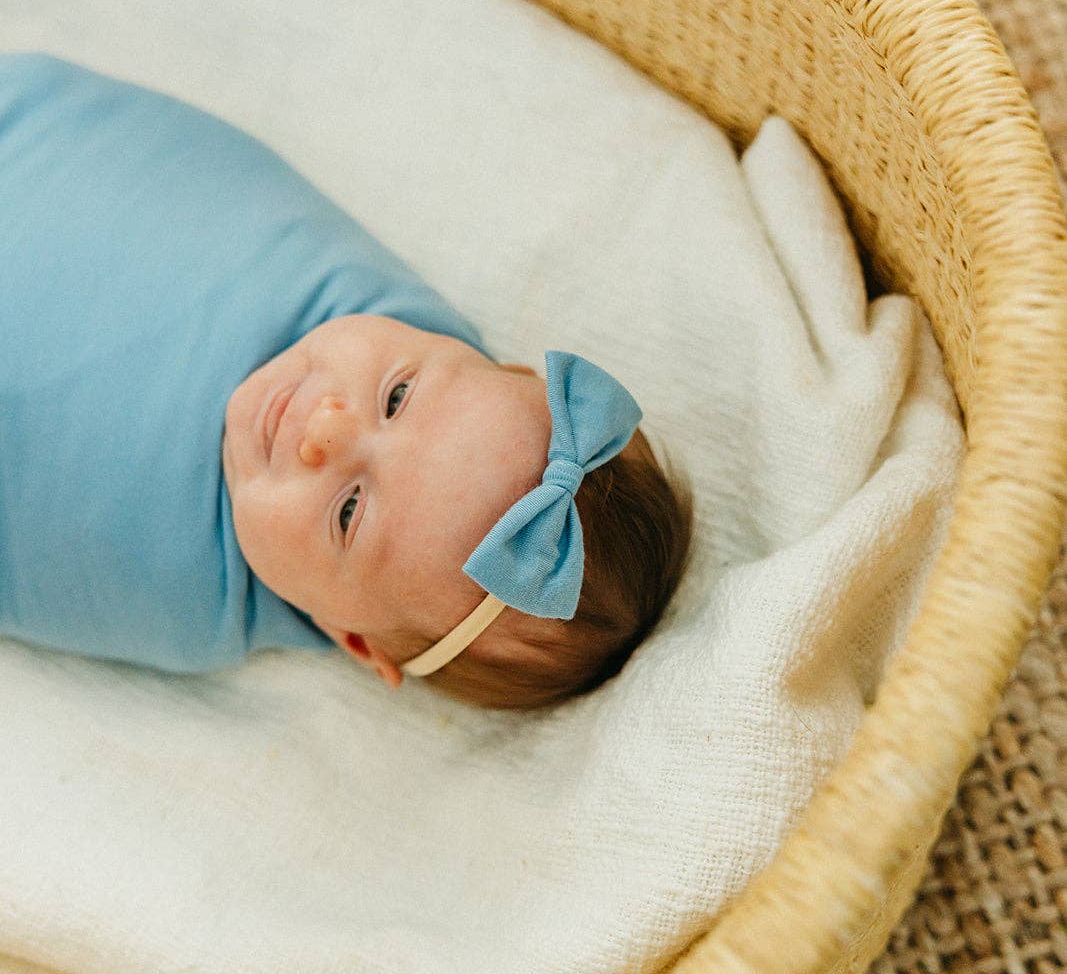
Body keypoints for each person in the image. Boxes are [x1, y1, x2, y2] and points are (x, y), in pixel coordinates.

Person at [0, 53, 692, 709]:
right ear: (494, 364)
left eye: (349, 511)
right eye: (396, 397)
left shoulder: (176, 600)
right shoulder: (381, 308)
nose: (324, 426)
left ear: (351, 637)